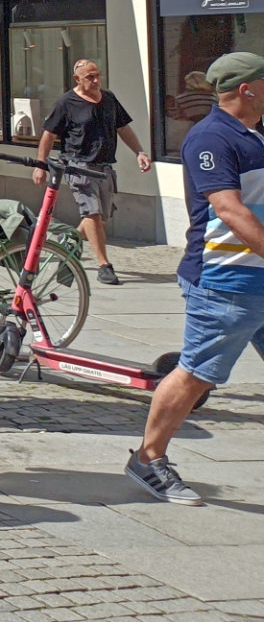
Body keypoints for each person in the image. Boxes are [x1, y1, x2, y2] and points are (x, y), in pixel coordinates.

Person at [126, 50, 264, 506]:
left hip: (256, 278)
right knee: (197, 374)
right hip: (225, 280)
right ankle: (147, 460)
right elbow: (229, 208)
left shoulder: (254, 133)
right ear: (247, 89)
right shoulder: (210, 138)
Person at [35, 58, 152, 286]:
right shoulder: (66, 103)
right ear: (77, 79)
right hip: (78, 165)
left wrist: (140, 151)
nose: (96, 80)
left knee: (102, 218)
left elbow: (122, 127)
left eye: (98, 75)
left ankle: (70, 241)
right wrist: (41, 165)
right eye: (90, 77)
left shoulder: (108, 99)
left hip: (105, 166)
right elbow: (48, 135)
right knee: (92, 214)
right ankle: (104, 265)